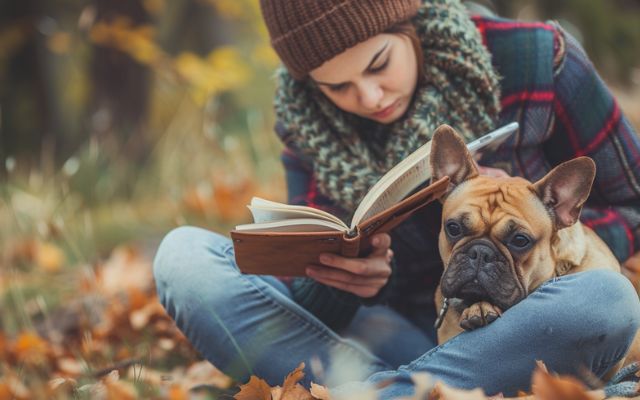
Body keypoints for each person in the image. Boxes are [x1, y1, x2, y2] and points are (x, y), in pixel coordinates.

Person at [153, 0, 640, 396]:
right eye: (336, 86)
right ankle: (412, 388)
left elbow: (633, 209)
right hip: (399, 333)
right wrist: (343, 281)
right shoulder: (307, 126)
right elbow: (301, 301)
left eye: (379, 65)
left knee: (608, 298)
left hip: (532, 334)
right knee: (183, 260)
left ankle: (375, 392)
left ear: (407, 20)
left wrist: (546, 252)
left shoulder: (537, 58)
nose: (368, 97)